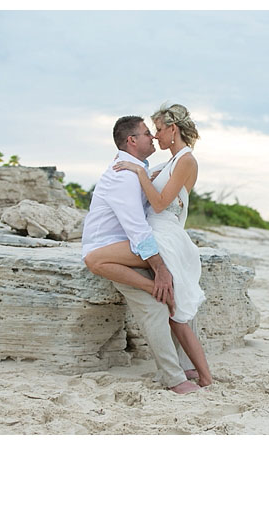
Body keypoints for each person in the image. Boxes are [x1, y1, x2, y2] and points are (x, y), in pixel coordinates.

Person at [81, 115, 204, 394]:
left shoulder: (142, 168)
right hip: (111, 247)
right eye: (148, 133)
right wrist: (159, 269)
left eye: (155, 131)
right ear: (132, 141)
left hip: (132, 248)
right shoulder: (123, 175)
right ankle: (175, 379)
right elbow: (137, 229)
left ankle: (188, 366)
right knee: (155, 303)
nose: (152, 137)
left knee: (178, 286)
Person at [109, 103, 211, 388]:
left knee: (176, 313)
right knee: (174, 309)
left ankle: (204, 376)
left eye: (158, 130)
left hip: (166, 236)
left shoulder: (186, 160)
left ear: (173, 129)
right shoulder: (170, 162)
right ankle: (190, 370)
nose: (155, 137)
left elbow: (160, 202)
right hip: (159, 232)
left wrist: (140, 173)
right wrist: (145, 171)